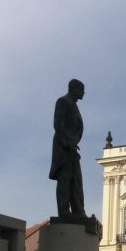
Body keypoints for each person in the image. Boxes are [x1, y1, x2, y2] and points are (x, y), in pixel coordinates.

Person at [49, 79, 86, 217]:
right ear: (74, 89)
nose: (84, 93)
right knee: (65, 179)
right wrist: (67, 142)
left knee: (76, 180)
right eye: (82, 89)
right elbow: (58, 124)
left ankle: (78, 211)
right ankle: (64, 212)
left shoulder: (73, 105)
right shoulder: (63, 102)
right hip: (63, 148)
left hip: (71, 148)